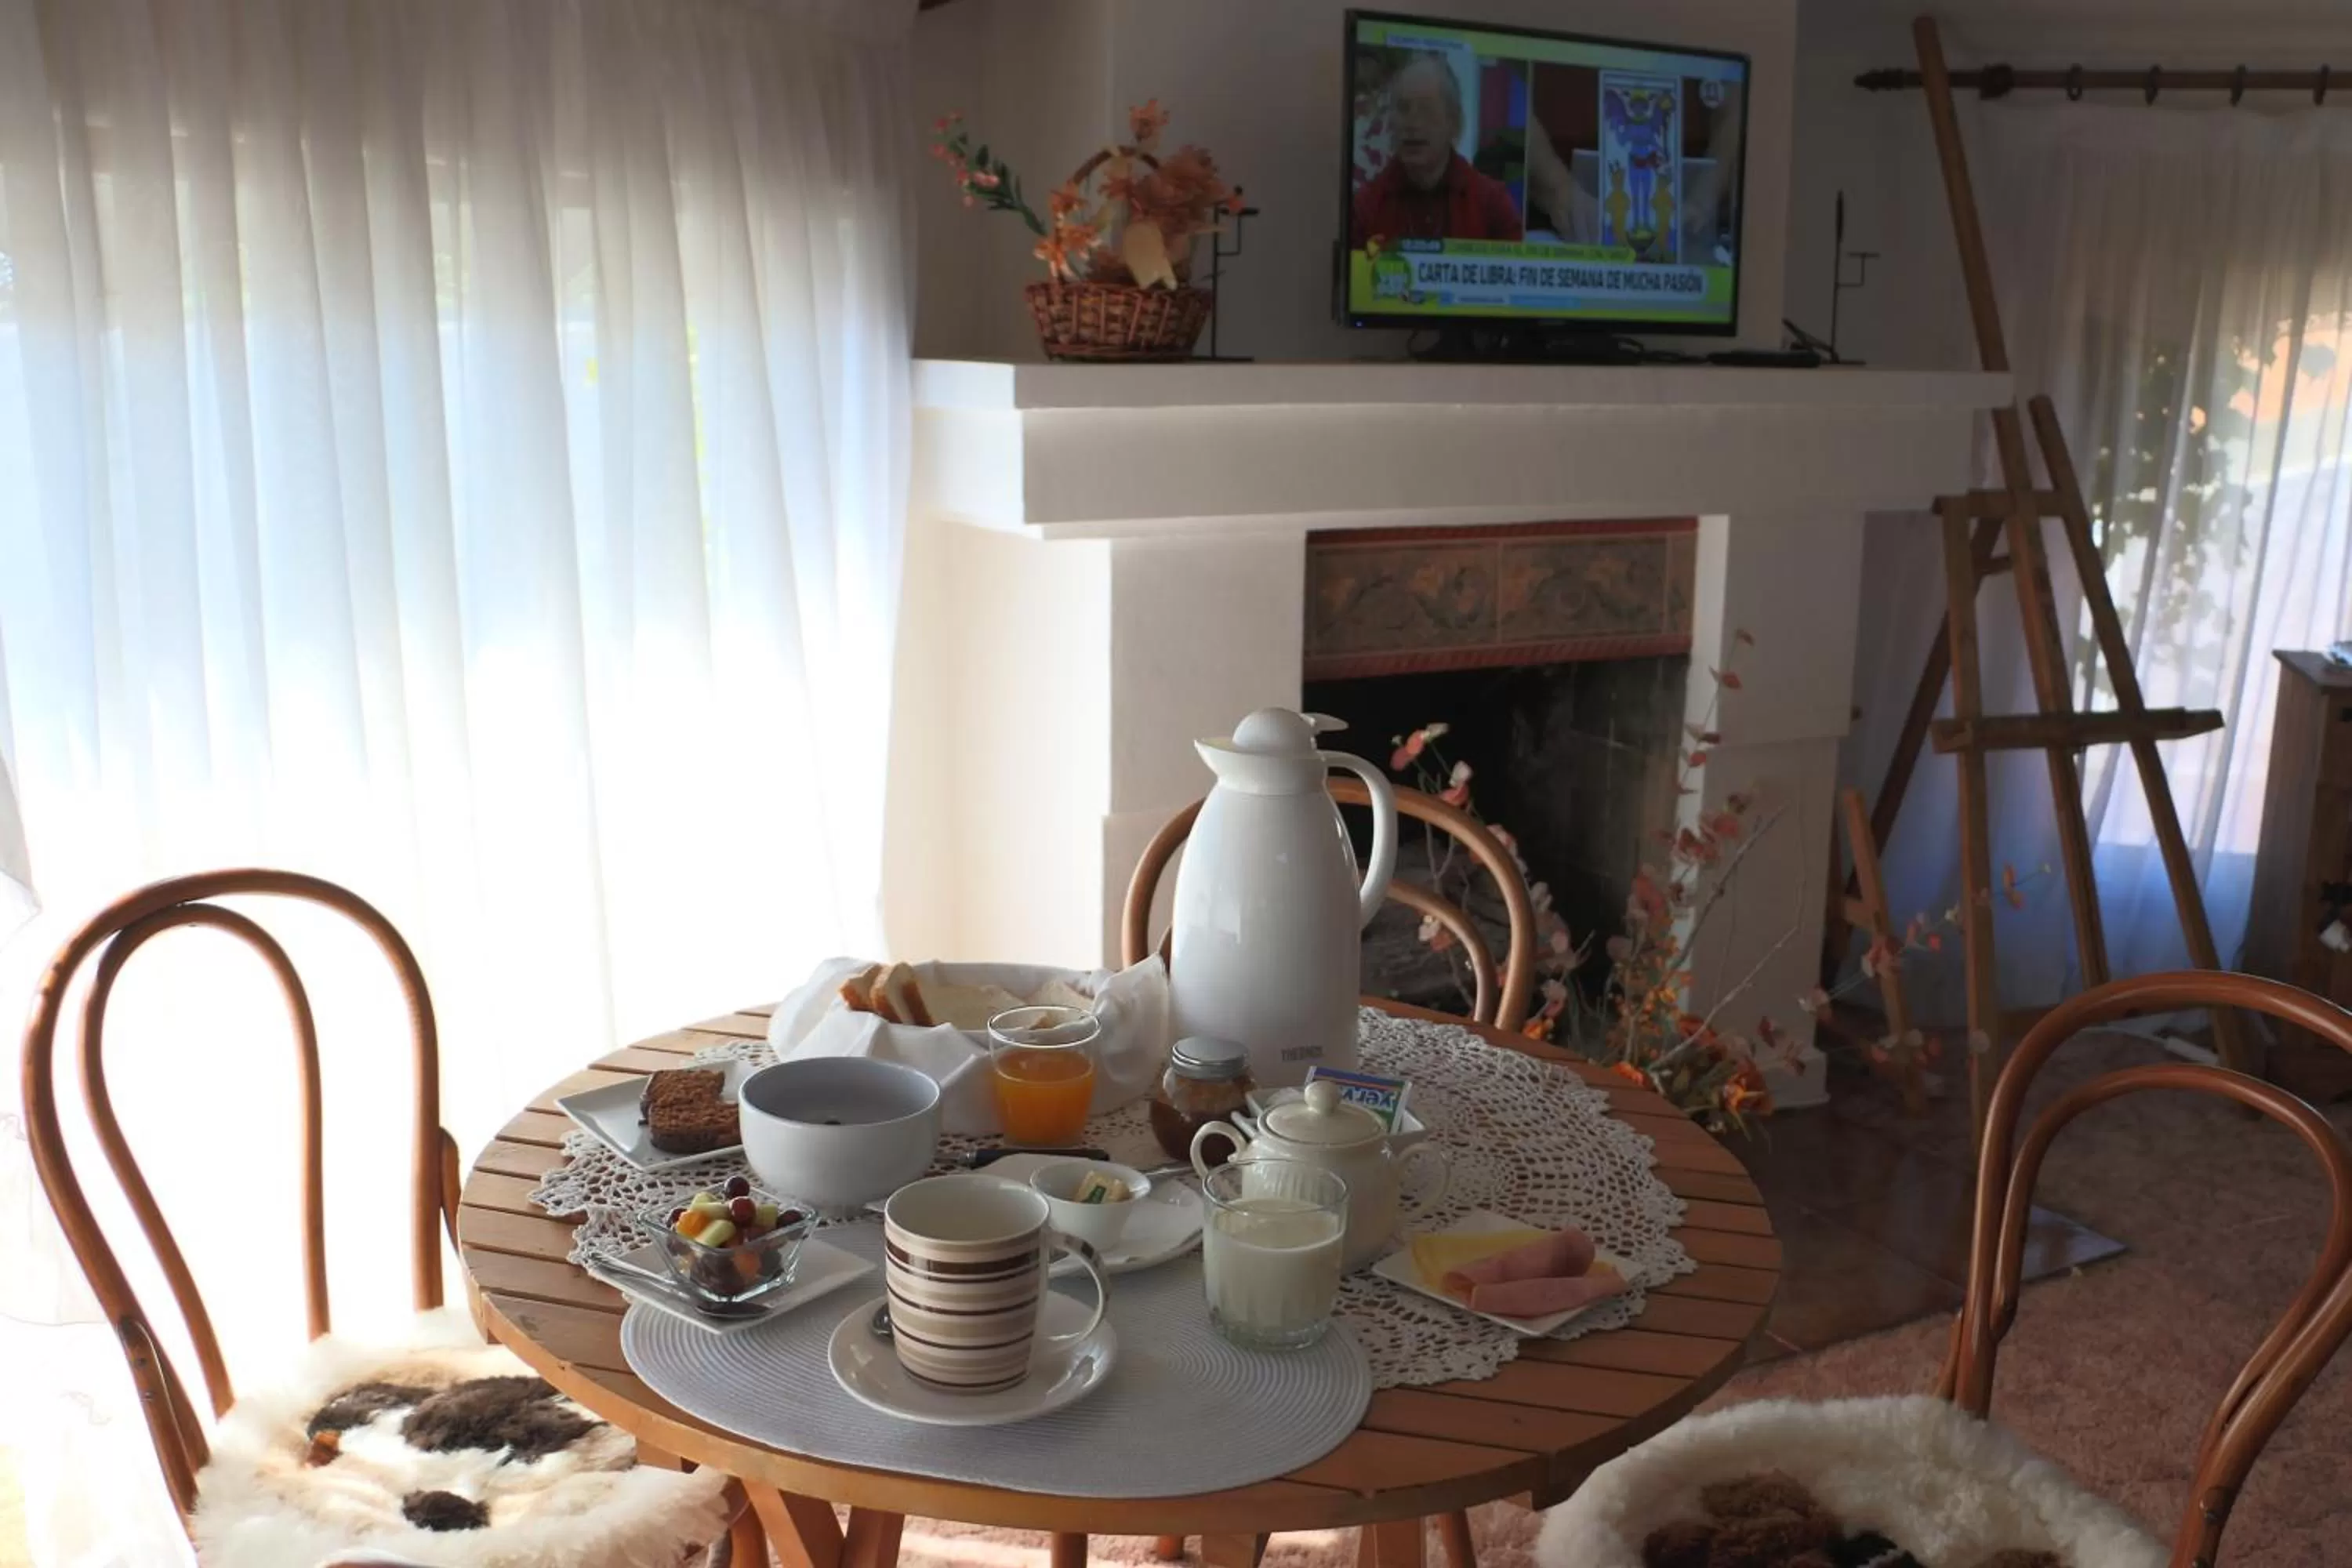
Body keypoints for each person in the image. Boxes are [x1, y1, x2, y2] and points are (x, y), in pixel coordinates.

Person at [1350, 53, 1523, 245]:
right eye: (1403, 108)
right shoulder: (1366, 206)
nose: (1412, 123)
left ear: (1455, 124)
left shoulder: (1493, 204)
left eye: (1426, 109)